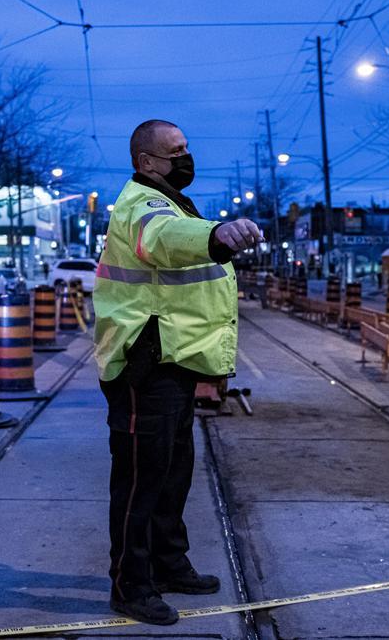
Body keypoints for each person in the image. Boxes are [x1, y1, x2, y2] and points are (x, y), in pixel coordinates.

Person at [93, 119, 262, 625]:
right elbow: (163, 240)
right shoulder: (142, 207)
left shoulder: (169, 201)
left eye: (187, 147)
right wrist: (216, 234)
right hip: (145, 365)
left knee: (172, 473)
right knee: (141, 480)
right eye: (175, 151)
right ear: (146, 162)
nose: (186, 158)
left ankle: (168, 564)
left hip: (174, 362)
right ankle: (131, 585)